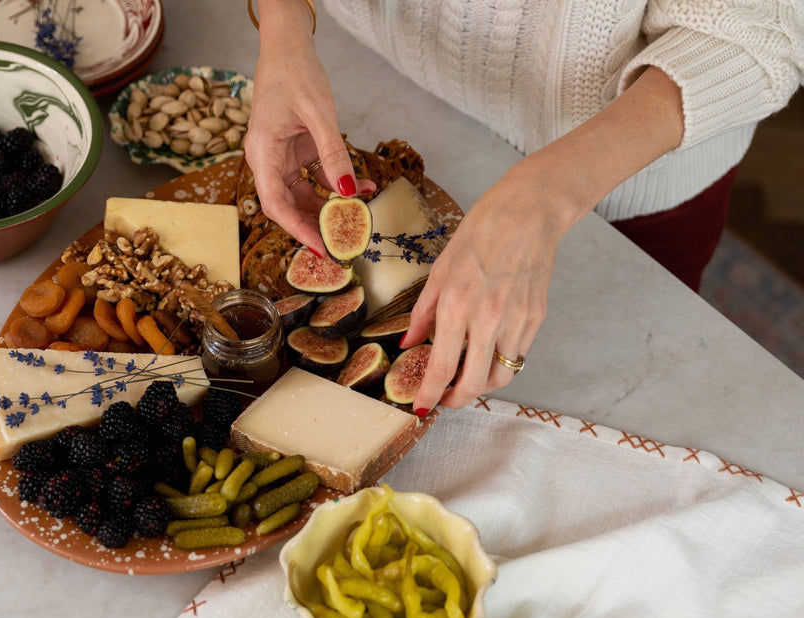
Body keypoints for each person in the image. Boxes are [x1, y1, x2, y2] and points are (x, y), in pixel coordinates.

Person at [243, 0, 803, 417]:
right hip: (359, 70)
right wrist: (283, 33)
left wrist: (542, 196)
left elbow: (766, 30)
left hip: (624, 162)